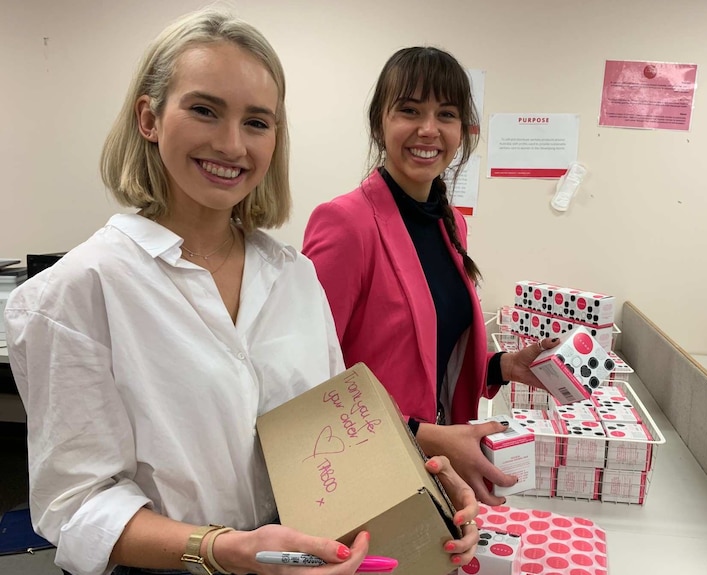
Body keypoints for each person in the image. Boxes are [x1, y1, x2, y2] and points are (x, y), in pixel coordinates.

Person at [4, 12, 478, 575]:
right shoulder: (76, 293)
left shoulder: (293, 277)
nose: (232, 144)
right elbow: (77, 505)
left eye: (257, 122)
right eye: (205, 110)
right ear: (149, 117)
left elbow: (333, 437)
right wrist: (222, 548)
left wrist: (419, 482)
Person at [302, 46, 558, 506]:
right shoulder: (346, 223)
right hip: (361, 473)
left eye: (446, 114)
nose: (428, 129)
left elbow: (424, 354)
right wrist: (424, 434)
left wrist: (503, 366)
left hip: (430, 471)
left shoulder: (450, 223)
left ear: (462, 130)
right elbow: (307, 385)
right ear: (380, 121)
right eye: (409, 110)